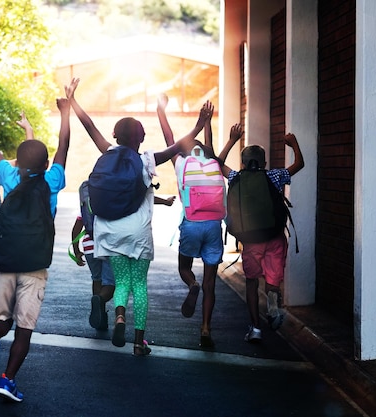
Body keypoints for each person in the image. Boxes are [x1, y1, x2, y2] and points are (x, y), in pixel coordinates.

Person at [67, 77, 209, 356]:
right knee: (138, 285)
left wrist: (73, 101)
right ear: (141, 138)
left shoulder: (107, 151)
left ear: (116, 136)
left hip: (109, 231)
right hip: (138, 234)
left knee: (120, 282)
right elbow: (179, 146)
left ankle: (118, 315)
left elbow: (90, 126)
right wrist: (199, 125)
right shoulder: (147, 160)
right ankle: (138, 342)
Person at [0, 96, 71, 402]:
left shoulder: (8, 176)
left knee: (3, 320)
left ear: (17, 161)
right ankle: (7, 379)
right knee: (24, 330)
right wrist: (65, 113)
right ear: (44, 165)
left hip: (5, 262)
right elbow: (62, 147)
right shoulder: (52, 181)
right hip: (35, 266)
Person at [157, 95, 234, 349]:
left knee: (184, 267)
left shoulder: (180, 162)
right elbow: (210, 144)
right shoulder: (213, 162)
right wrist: (208, 122)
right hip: (214, 225)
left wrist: (161, 110)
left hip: (191, 224)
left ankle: (192, 284)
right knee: (211, 283)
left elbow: (169, 139)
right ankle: (205, 329)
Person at [218, 130, 305, 342]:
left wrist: (232, 140)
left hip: (250, 241)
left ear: (244, 163)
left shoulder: (236, 177)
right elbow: (299, 164)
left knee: (251, 282)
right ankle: (273, 309)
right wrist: (293, 143)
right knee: (273, 282)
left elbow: (218, 163)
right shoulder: (274, 176)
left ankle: (255, 328)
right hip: (274, 238)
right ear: (264, 162)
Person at [70, 194, 175, 331]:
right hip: (107, 245)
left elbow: (77, 227)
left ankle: (100, 314)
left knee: (97, 279)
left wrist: (76, 250)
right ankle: (100, 300)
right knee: (111, 284)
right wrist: (165, 202)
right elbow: (144, 197)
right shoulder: (118, 197)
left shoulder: (90, 201)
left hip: (89, 247)